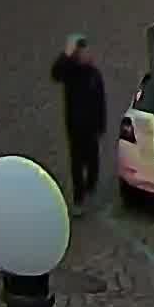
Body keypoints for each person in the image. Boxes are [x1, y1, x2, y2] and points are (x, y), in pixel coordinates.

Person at [51, 36, 108, 200]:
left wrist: (101, 125)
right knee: (76, 163)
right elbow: (55, 73)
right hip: (75, 127)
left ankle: (90, 185)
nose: (87, 55)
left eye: (87, 52)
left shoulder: (94, 75)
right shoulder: (70, 73)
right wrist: (66, 54)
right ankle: (79, 195)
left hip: (91, 127)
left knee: (93, 161)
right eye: (82, 53)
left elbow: (100, 101)